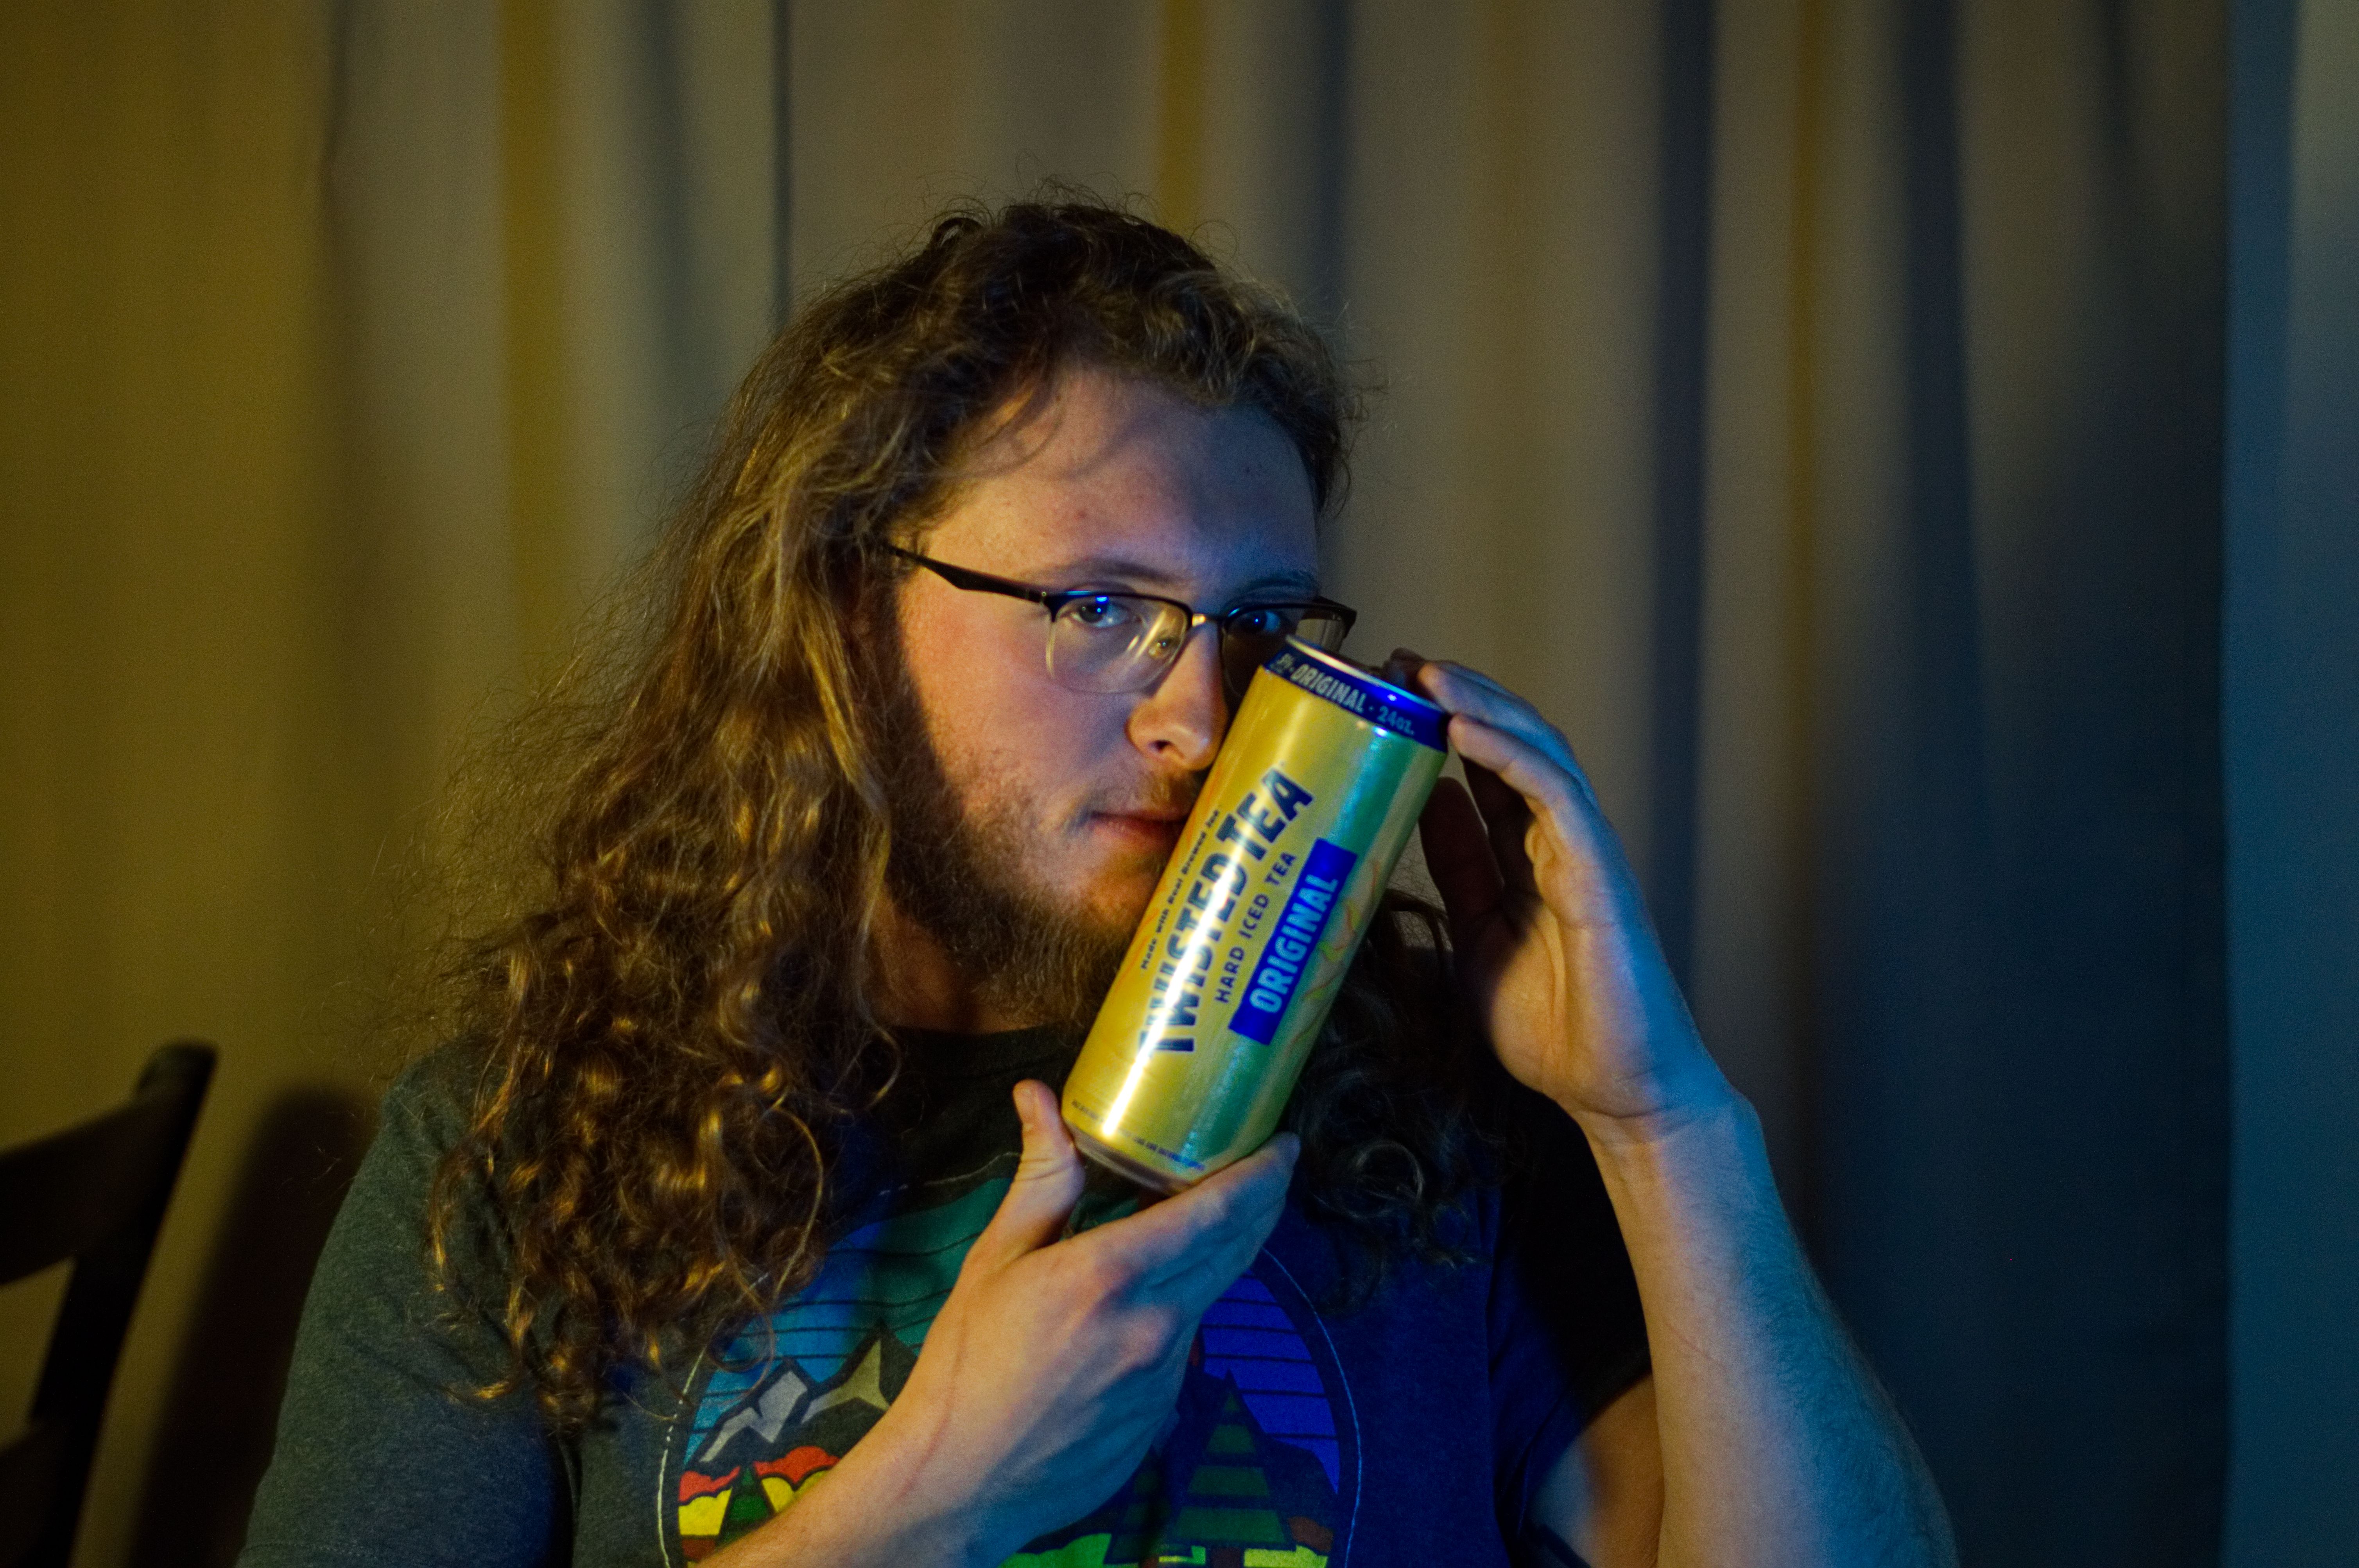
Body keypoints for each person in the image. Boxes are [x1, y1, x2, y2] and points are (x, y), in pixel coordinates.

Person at [239, 199, 1957, 1568]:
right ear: (845, 620)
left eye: (1260, 628)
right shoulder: (519, 1145)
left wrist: (1668, 1132)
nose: (1200, 717)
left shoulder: (1447, 1109)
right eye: (1098, 608)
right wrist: (928, 1507)